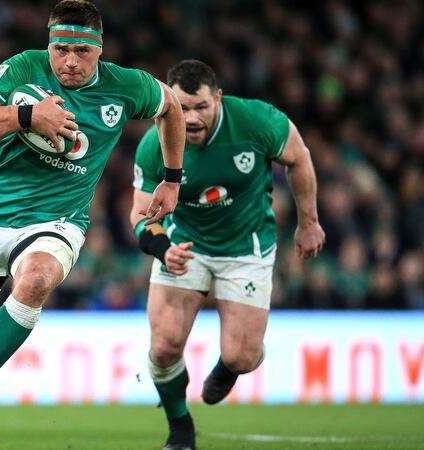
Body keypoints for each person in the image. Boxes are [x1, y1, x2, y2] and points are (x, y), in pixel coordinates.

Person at [0, 1, 186, 449]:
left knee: (35, 279)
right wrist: (27, 116)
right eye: (60, 49)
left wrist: (171, 180)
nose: (69, 61)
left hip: (59, 220)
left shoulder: (126, 86)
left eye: (80, 51)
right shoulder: (23, 67)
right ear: (48, 45)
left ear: (99, 50)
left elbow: (170, 108)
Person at [130, 59, 326, 450]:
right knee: (164, 345)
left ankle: (229, 368)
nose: (191, 118)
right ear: (168, 103)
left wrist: (309, 222)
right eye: (181, 108)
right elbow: (138, 214)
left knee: (243, 357)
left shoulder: (255, 121)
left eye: (200, 107)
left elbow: (300, 157)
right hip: (184, 246)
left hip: (246, 248)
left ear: (217, 98)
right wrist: (162, 248)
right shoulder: (155, 143)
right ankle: (180, 428)